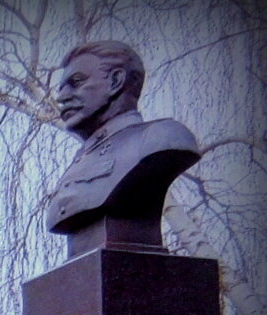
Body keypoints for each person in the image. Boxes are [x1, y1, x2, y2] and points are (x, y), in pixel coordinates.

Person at [47, 41, 199, 246]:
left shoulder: (160, 137)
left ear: (115, 81)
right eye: (61, 88)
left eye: (76, 82)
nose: (62, 97)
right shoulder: (77, 163)